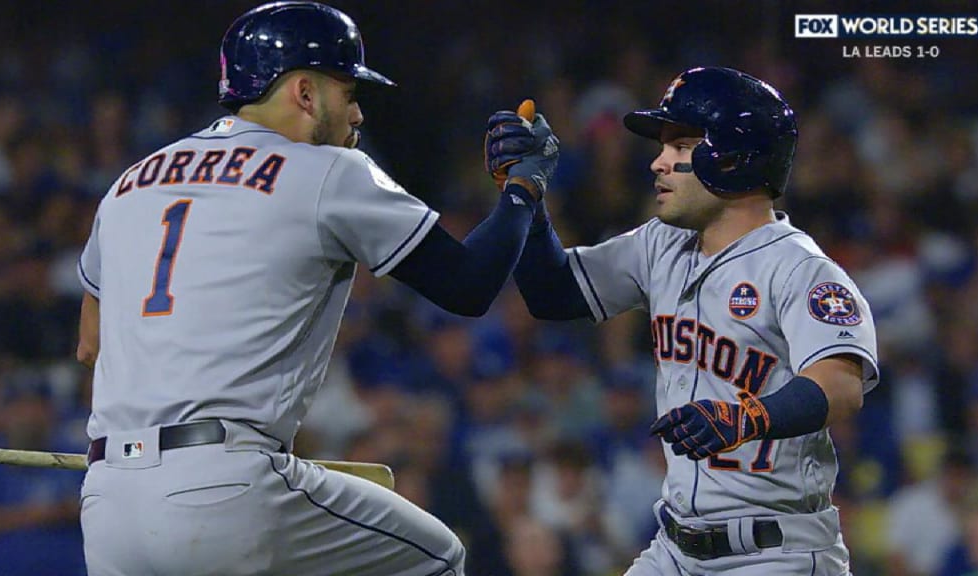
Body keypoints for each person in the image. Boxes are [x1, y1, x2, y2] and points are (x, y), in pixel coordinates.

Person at [74, 2, 556, 575]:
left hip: (106, 501)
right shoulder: (326, 169)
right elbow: (469, 286)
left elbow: (89, 345)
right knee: (437, 558)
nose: (356, 113)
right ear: (304, 92)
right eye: (348, 91)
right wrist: (524, 188)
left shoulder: (131, 182)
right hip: (227, 487)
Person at [486, 66, 879, 574]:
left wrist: (747, 417)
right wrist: (528, 196)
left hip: (774, 552)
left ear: (733, 157)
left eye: (681, 147)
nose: (658, 163)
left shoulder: (800, 269)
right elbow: (553, 293)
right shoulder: (660, 243)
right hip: (673, 547)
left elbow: (841, 386)